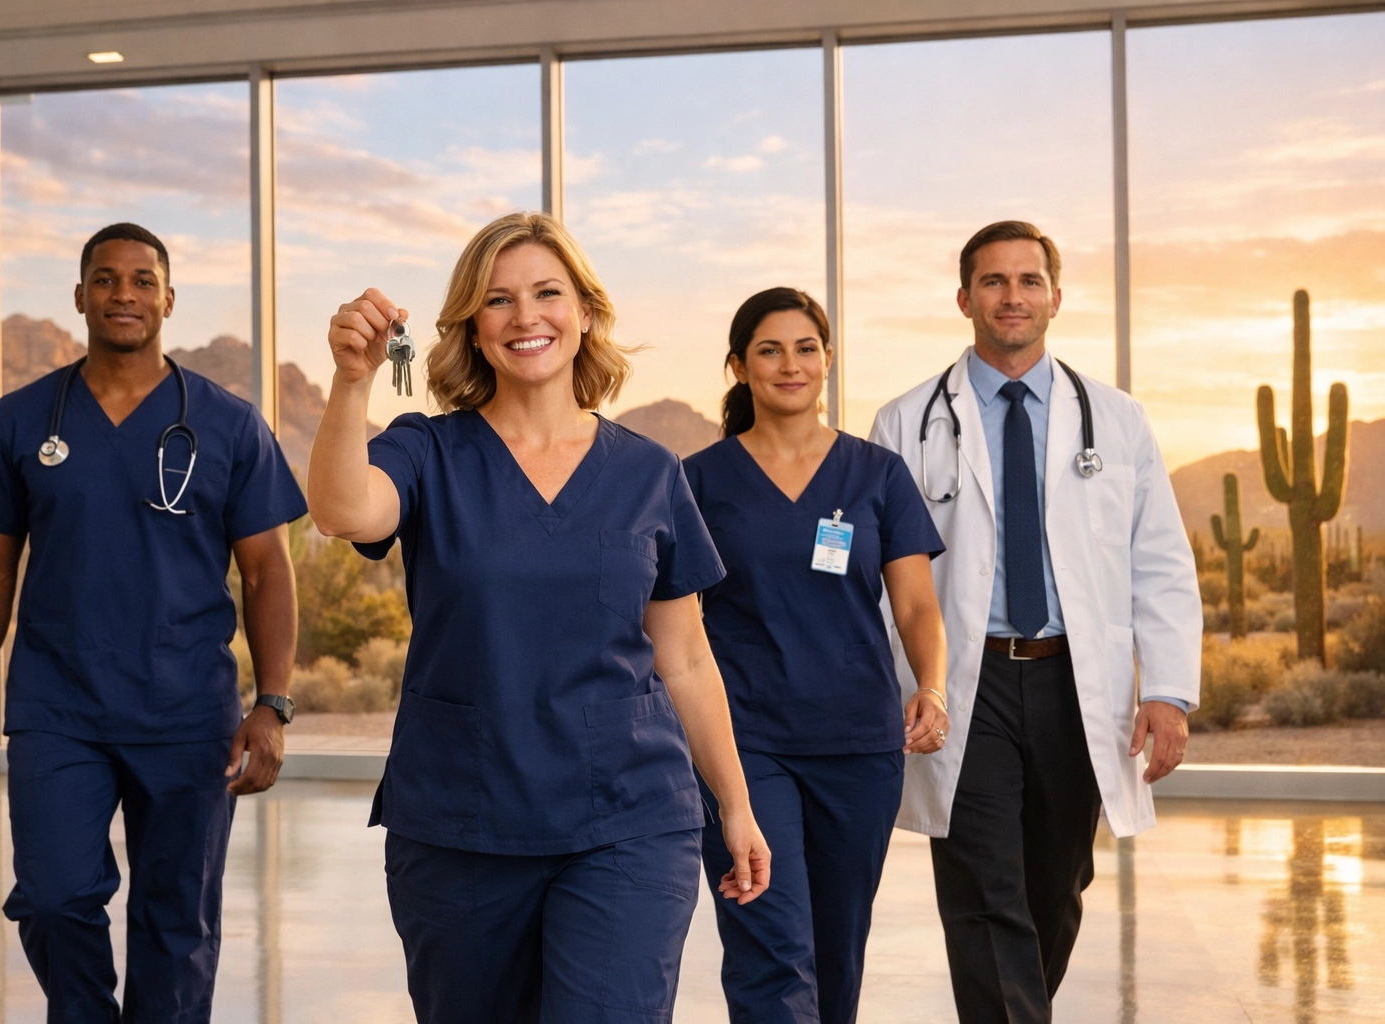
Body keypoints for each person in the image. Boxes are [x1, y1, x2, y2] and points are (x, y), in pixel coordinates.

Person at [307, 211, 770, 1023]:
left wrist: (734, 804)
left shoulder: (648, 472)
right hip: (461, 821)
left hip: (627, 818)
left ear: (584, 312)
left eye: (547, 293)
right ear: (471, 328)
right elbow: (346, 511)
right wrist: (353, 382)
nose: (526, 317)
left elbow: (687, 659)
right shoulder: (426, 451)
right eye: (498, 300)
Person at [0, 223, 307, 1023]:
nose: (124, 295)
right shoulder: (23, 419)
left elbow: (268, 570)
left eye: (143, 280)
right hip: (58, 709)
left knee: (176, 922)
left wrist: (272, 704)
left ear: (168, 299)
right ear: (79, 297)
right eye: (105, 280)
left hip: (186, 713)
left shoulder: (229, 424)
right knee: (51, 897)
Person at [871, 221, 1201, 1022]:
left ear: (1055, 295)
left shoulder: (1117, 422)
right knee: (984, 888)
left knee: (1056, 887)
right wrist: (903, 689)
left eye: (1027, 281)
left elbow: (1158, 559)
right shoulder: (905, 422)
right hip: (964, 682)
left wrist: (1167, 689)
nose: (1011, 296)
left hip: (1072, 680)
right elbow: (885, 585)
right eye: (993, 281)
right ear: (964, 298)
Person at [683, 287, 949, 1023]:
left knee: (836, 949)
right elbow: (667, 623)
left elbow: (918, 605)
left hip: (858, 747)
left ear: (827, 360)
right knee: (770, 944)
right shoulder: (699, 481)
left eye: (806, 348)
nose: (789, 365)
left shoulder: (877, 475)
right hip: (743, 746)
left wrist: (932, 684)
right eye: (769, 349)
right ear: (739, 366)